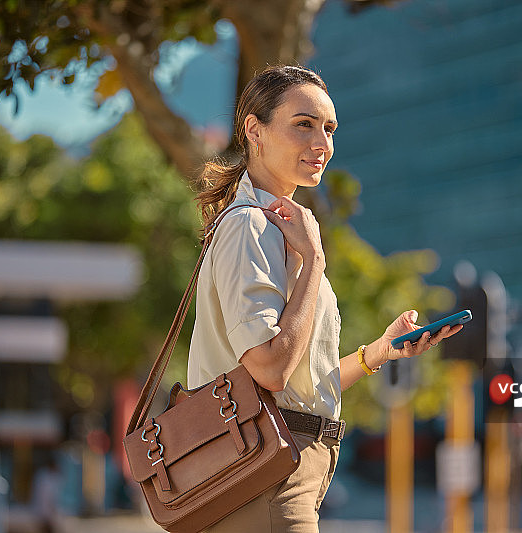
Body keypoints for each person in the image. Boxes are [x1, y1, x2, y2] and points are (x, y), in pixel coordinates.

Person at [188, 65, 463, 532]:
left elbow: (297, 381)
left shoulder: (274, 228)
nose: (323, 144)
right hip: (264, 475)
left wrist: (378, 353)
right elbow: (270, 369)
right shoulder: (250, 226)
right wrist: (314, 260)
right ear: (255, 129)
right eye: (303, 124)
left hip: (281, 468)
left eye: (329, 129)